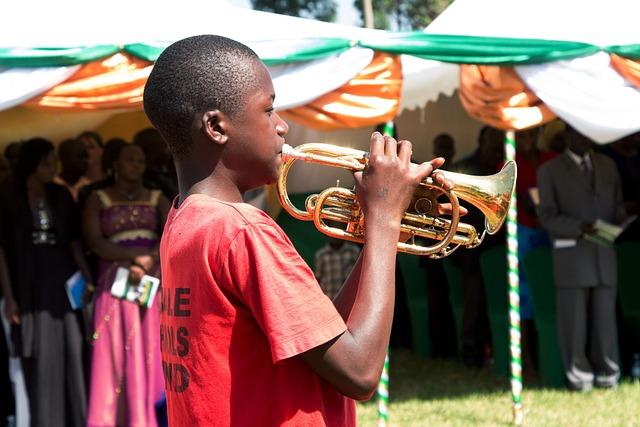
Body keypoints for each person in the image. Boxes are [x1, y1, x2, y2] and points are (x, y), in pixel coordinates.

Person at [143, 35, 453, 425]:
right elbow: (359, 372)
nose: (282, 126)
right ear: (216, 126)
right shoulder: (244, 231)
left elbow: (325, 340)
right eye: (268, 110)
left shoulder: (184, 219)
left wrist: (388, 234)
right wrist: (385, 220)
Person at [0, 137, 90, 427]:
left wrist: (87, 280)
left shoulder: (60, 195)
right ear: (33, 163)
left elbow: (74, 241)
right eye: (48, 161)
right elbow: (1, 249)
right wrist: (10, 297)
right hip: (27, 279)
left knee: (72, 347)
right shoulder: (8, 196)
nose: (54, 167)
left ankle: (76, 419)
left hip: (62, 276)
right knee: (38, 352)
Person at [82, 143, 169, 426]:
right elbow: (95, 242)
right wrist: (134, 257)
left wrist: (149, 259)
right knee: (114, 349)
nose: (137, 164)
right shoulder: (98, 198)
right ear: (115, 163)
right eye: (130, 159)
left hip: (149, 280)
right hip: (113, 282)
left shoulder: (157, 197)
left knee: (150, 345)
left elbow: (173, 232)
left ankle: (149, 416)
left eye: (140, 159)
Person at [537, 126, 626, 391]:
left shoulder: (607, 164)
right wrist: (580, 227)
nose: (586, 136)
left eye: (589, 131)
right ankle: (579, 378)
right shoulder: (549, 171)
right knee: (573, 324)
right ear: (566, 136)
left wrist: (621, 219)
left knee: (606, 321)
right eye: (579, 132)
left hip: (604, 253)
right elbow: (547, 216)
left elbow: (617, 202)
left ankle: (609, 376)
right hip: (572, 255)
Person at [452, 125, 505, 367]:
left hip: (493, 246)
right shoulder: (466, 168)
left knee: (491, 299)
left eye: (499, 145)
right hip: (471, 250)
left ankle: (492, 348)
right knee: (474, 300)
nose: (496, 150)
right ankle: (472, 353)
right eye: (492, 145)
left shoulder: (498, 168)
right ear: (481, 142)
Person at [419, 133, 458, 358]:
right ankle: (438, 349)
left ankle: (451, 347)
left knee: (450, 298)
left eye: (448, 146)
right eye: (441, 146)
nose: (446, 149)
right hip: (432, 246)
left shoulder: (458, 172)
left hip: (452, 248)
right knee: (437, 299)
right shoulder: (430, 174)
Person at [134, 127, 178, 201]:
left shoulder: (171, 171)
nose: (168, 150)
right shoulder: (142, 180)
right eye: (164, 145)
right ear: (150, 149)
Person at [314, 231, 361, 299]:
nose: (335, 235)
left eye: (337, 232)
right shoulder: (321, 254)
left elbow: (359, 276)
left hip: (350, 299)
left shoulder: (353, 251)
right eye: (332, 232)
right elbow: (318, 279)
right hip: (330, 301)